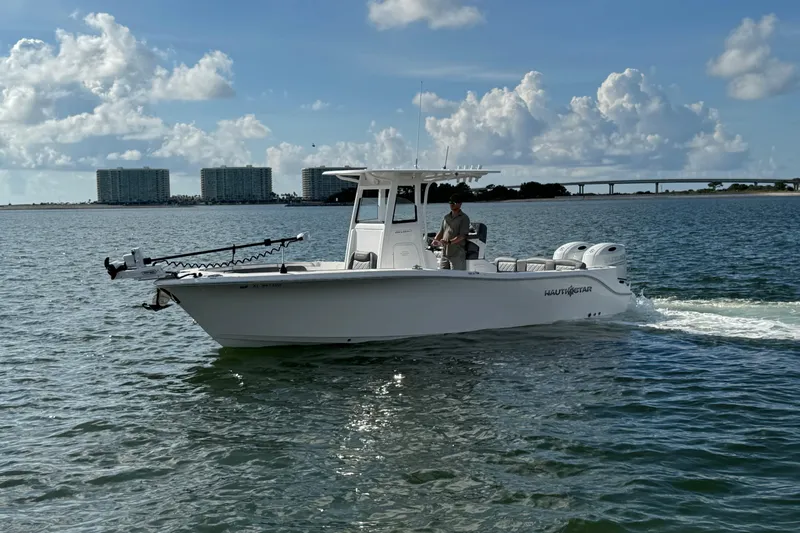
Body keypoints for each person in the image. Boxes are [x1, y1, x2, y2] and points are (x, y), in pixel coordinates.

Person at [432, 193, 471, 270]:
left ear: (460, 204)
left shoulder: (464, 218)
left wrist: (449, 242)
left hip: (457, 253)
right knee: (442, 275)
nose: (452, 204)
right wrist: (435, 240)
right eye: (450, 203)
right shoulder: (446, 217)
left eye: (454, 203)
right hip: (444, 253)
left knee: (458, 277)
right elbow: (441, 231)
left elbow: (462, 236)